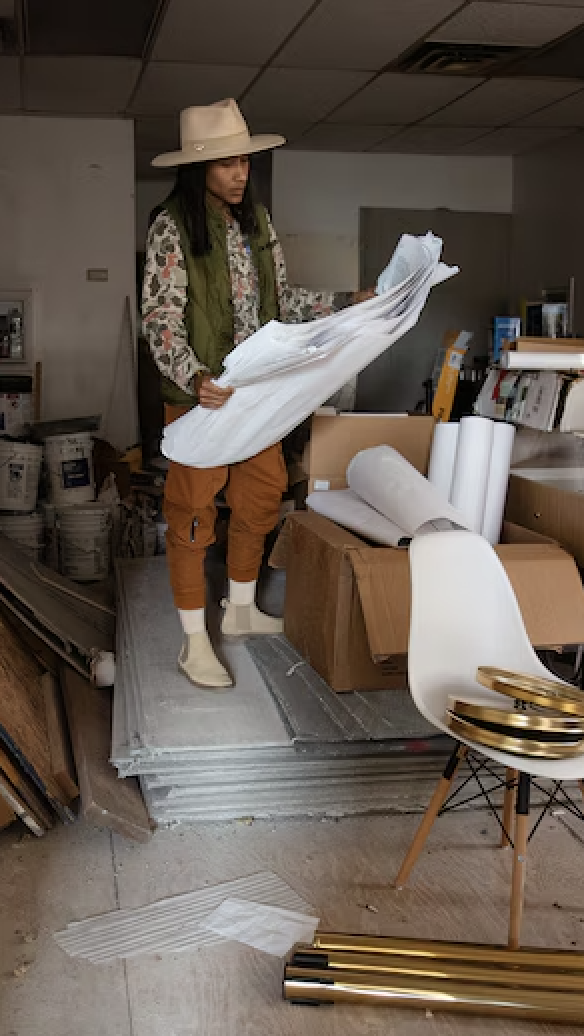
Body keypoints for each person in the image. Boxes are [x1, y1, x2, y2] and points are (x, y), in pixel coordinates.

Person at [142, 99, 366, 689]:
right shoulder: (171, 226)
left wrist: (346, 302)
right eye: (226, 164)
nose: (241, 172)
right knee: (192, 513)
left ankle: (240, 607)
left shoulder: (258, 224)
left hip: (257, 392)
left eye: (245, 160)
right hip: (202, 396)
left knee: (263, 494)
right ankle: (195, 642)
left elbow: (282, 303)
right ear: (198, 170)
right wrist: (192, 375)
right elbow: (161, 316)